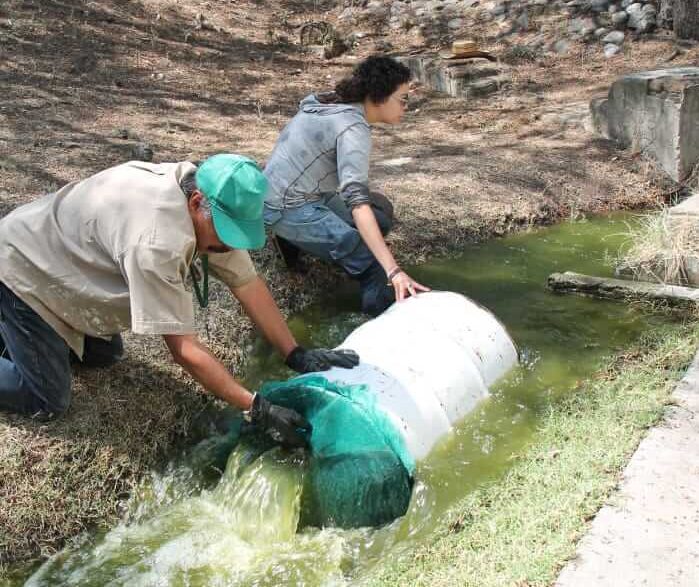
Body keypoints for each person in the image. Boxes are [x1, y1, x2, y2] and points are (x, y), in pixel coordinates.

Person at [0, 154, 360, 448]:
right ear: (197, 203)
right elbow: (184, 349)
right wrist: (257, 408)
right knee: (46, 399)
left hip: (65, 259)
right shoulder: (156, 240)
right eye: (224, 236)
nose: (227, 247)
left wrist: (293, 353)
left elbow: (247, 282)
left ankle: (19, 335)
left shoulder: (201, 191)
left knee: (104, 355)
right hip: (25, 269)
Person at [263, 55, 430, 317]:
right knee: (375, 268)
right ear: (378, 96)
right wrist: (393, 270)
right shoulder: (352, 129)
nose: (406, 107)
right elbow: (357, 202)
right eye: (403, 99)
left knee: (381, 221)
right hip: (286, 206)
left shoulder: (334, 101)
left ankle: (295, 241)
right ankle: (377, 328)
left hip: (302, 192)